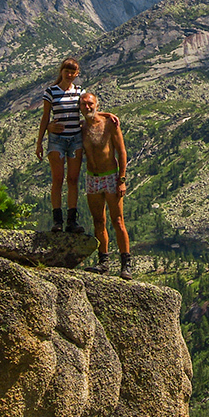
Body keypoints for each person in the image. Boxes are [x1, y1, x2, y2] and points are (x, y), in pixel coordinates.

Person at [79, 90, 133, 279]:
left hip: (111, 176)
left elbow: (122, 151)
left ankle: (126, 264)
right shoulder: (81, 127)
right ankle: (104, 262)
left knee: (118, 221)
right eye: (84, 104)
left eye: (90, 104)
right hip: (92, 178)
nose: (87, 107)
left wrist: (122, 179)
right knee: (98, 222)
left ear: (97, 105)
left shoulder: (110, 124)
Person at [35, 58, 85, 233]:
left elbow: (89, 111)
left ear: (77, 74)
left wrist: (108, 115)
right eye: (67, 71)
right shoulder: (51, 92)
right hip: (57, 140)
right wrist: (40, 141)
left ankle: (71, 221)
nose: (70, 75)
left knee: (73, 180)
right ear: (61, 71)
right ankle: (57, 221)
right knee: (57, 179)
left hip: (75, 140)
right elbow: (45, 117)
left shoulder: (80, 92)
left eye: (73, 72)